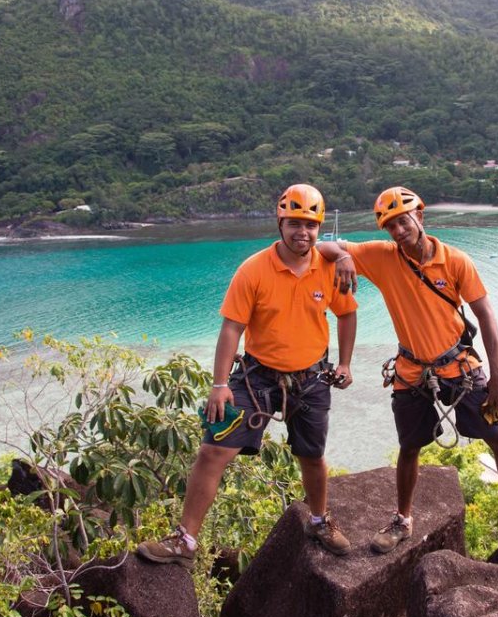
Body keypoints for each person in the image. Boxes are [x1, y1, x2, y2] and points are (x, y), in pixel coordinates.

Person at [317, 186, 498, 554]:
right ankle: (402, 519)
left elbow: (486, 317)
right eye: (390, 226)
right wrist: (342, 258)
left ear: (420, 216)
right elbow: (321, 245)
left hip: (457, 365)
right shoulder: (382, 257)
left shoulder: (455, 260)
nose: (399, 231)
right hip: (411, 368)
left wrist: (496, 375)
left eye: (403, 220)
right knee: (410, 447)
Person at [137, 184, 357, 568]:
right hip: (257, 376)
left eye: (309, 225)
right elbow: (231, 329)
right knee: (212, 451)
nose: (301, 232)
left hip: (311, 377)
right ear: (280, 222)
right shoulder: (254, 269)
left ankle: (319, 521)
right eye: (293, 223)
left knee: (313, 457)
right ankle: (185, 540)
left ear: (319, 227)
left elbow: (347, 314)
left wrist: (345, 363)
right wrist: (219, 384)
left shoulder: (328, 267)